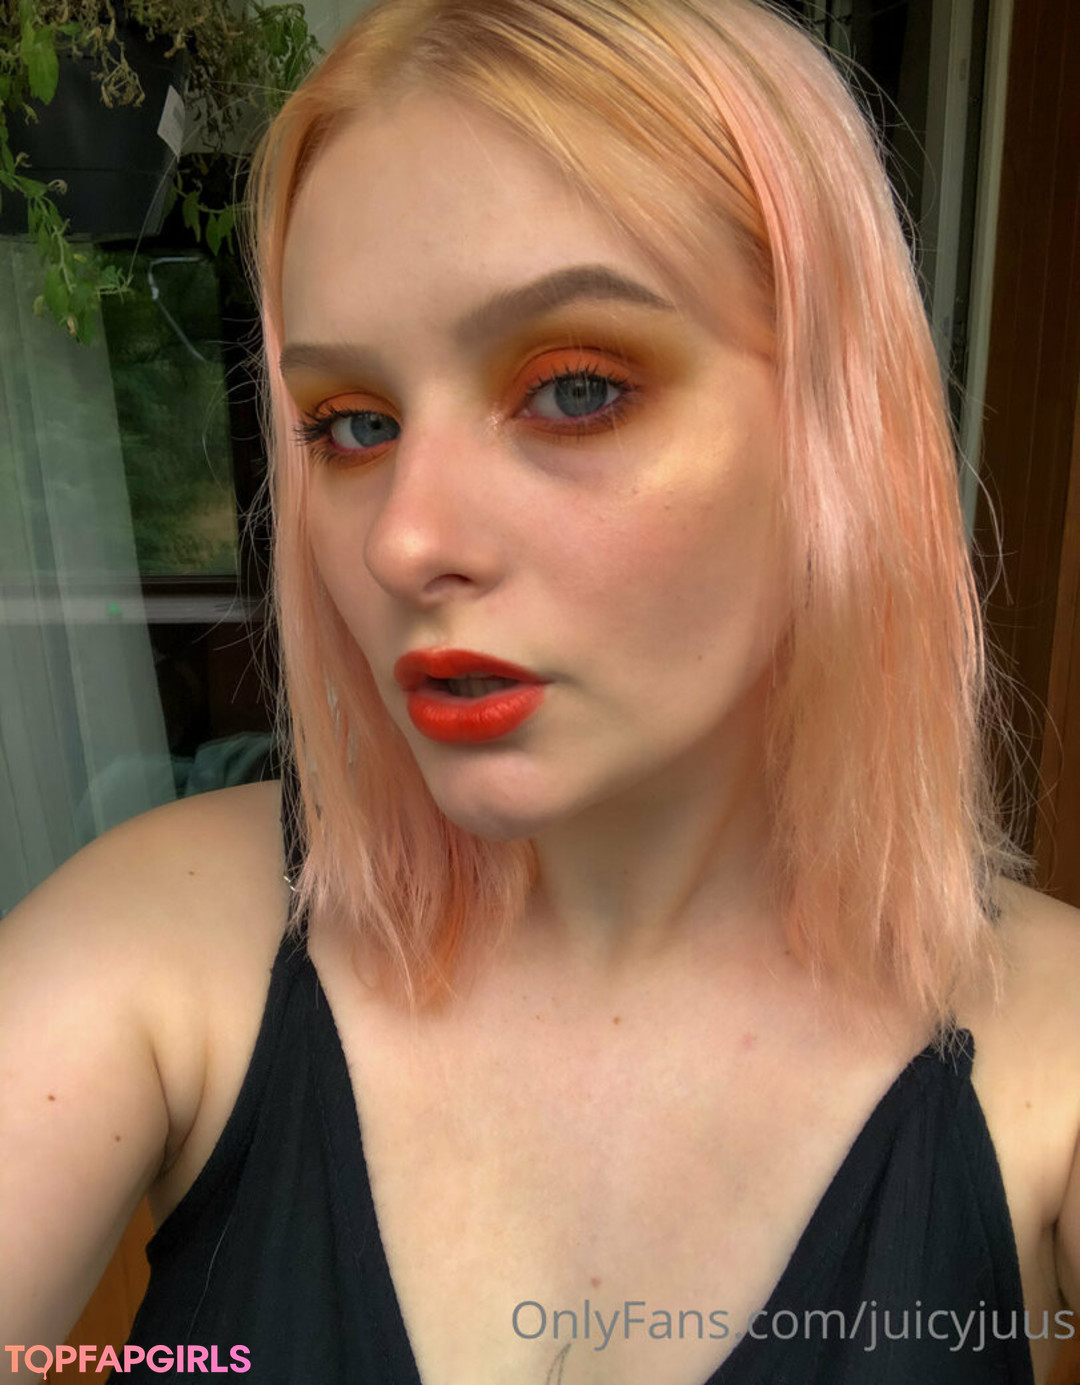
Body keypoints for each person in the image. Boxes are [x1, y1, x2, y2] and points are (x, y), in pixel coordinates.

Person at [1, 0, 1078, 1381]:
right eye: (354, 425)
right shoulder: (165, 940)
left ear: (836, 433)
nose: (404, 542)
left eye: (574, 391)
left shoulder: (1051, 1055)